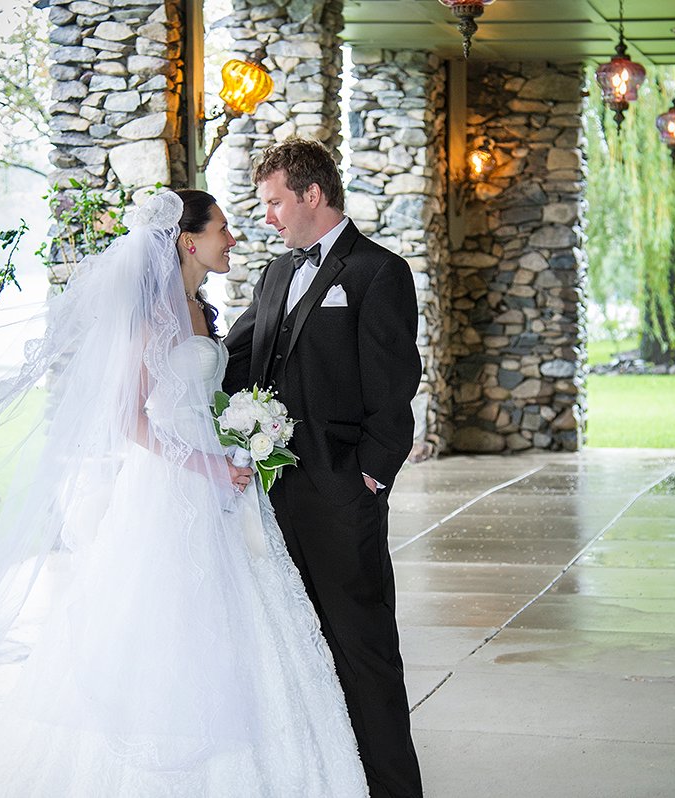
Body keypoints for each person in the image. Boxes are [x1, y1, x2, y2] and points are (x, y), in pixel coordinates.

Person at [0, 190, 369, 796]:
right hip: (169, 488)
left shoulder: (201, 311)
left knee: (248, 625)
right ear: (187, 240)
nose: (232, 239)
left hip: (223, 486)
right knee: (164, 625)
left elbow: (205, 397)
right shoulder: (146, 317)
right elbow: (131, 418)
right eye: (223, 228)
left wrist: (242, 436)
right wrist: (206, 463)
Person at [224, 138, 424, 798]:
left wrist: (368, 476)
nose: (268, 217)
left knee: (363, 651)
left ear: (313, 195)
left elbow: (395, 387)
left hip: (342, 492)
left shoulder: (378, 272)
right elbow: (238, 361)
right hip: (274, 496)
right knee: (300, 652)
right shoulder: (277, 273)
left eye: (275, 202)